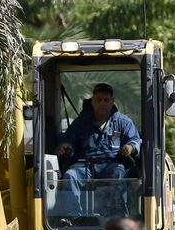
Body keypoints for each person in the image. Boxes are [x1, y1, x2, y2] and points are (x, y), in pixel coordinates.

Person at [54, 82, 141, 222]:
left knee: (118, 173)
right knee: (70, 175)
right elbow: (68, 142)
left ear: (112, 102)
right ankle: (72, 217)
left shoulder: (123, 122)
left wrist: (130, 147)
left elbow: (136, 140)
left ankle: (116, 218)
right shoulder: (81, 122)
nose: (103, 103)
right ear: (92, 102)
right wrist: (66, 146)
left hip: (112, 164)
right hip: (84, 166)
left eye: (106, 100)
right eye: (99, 100)